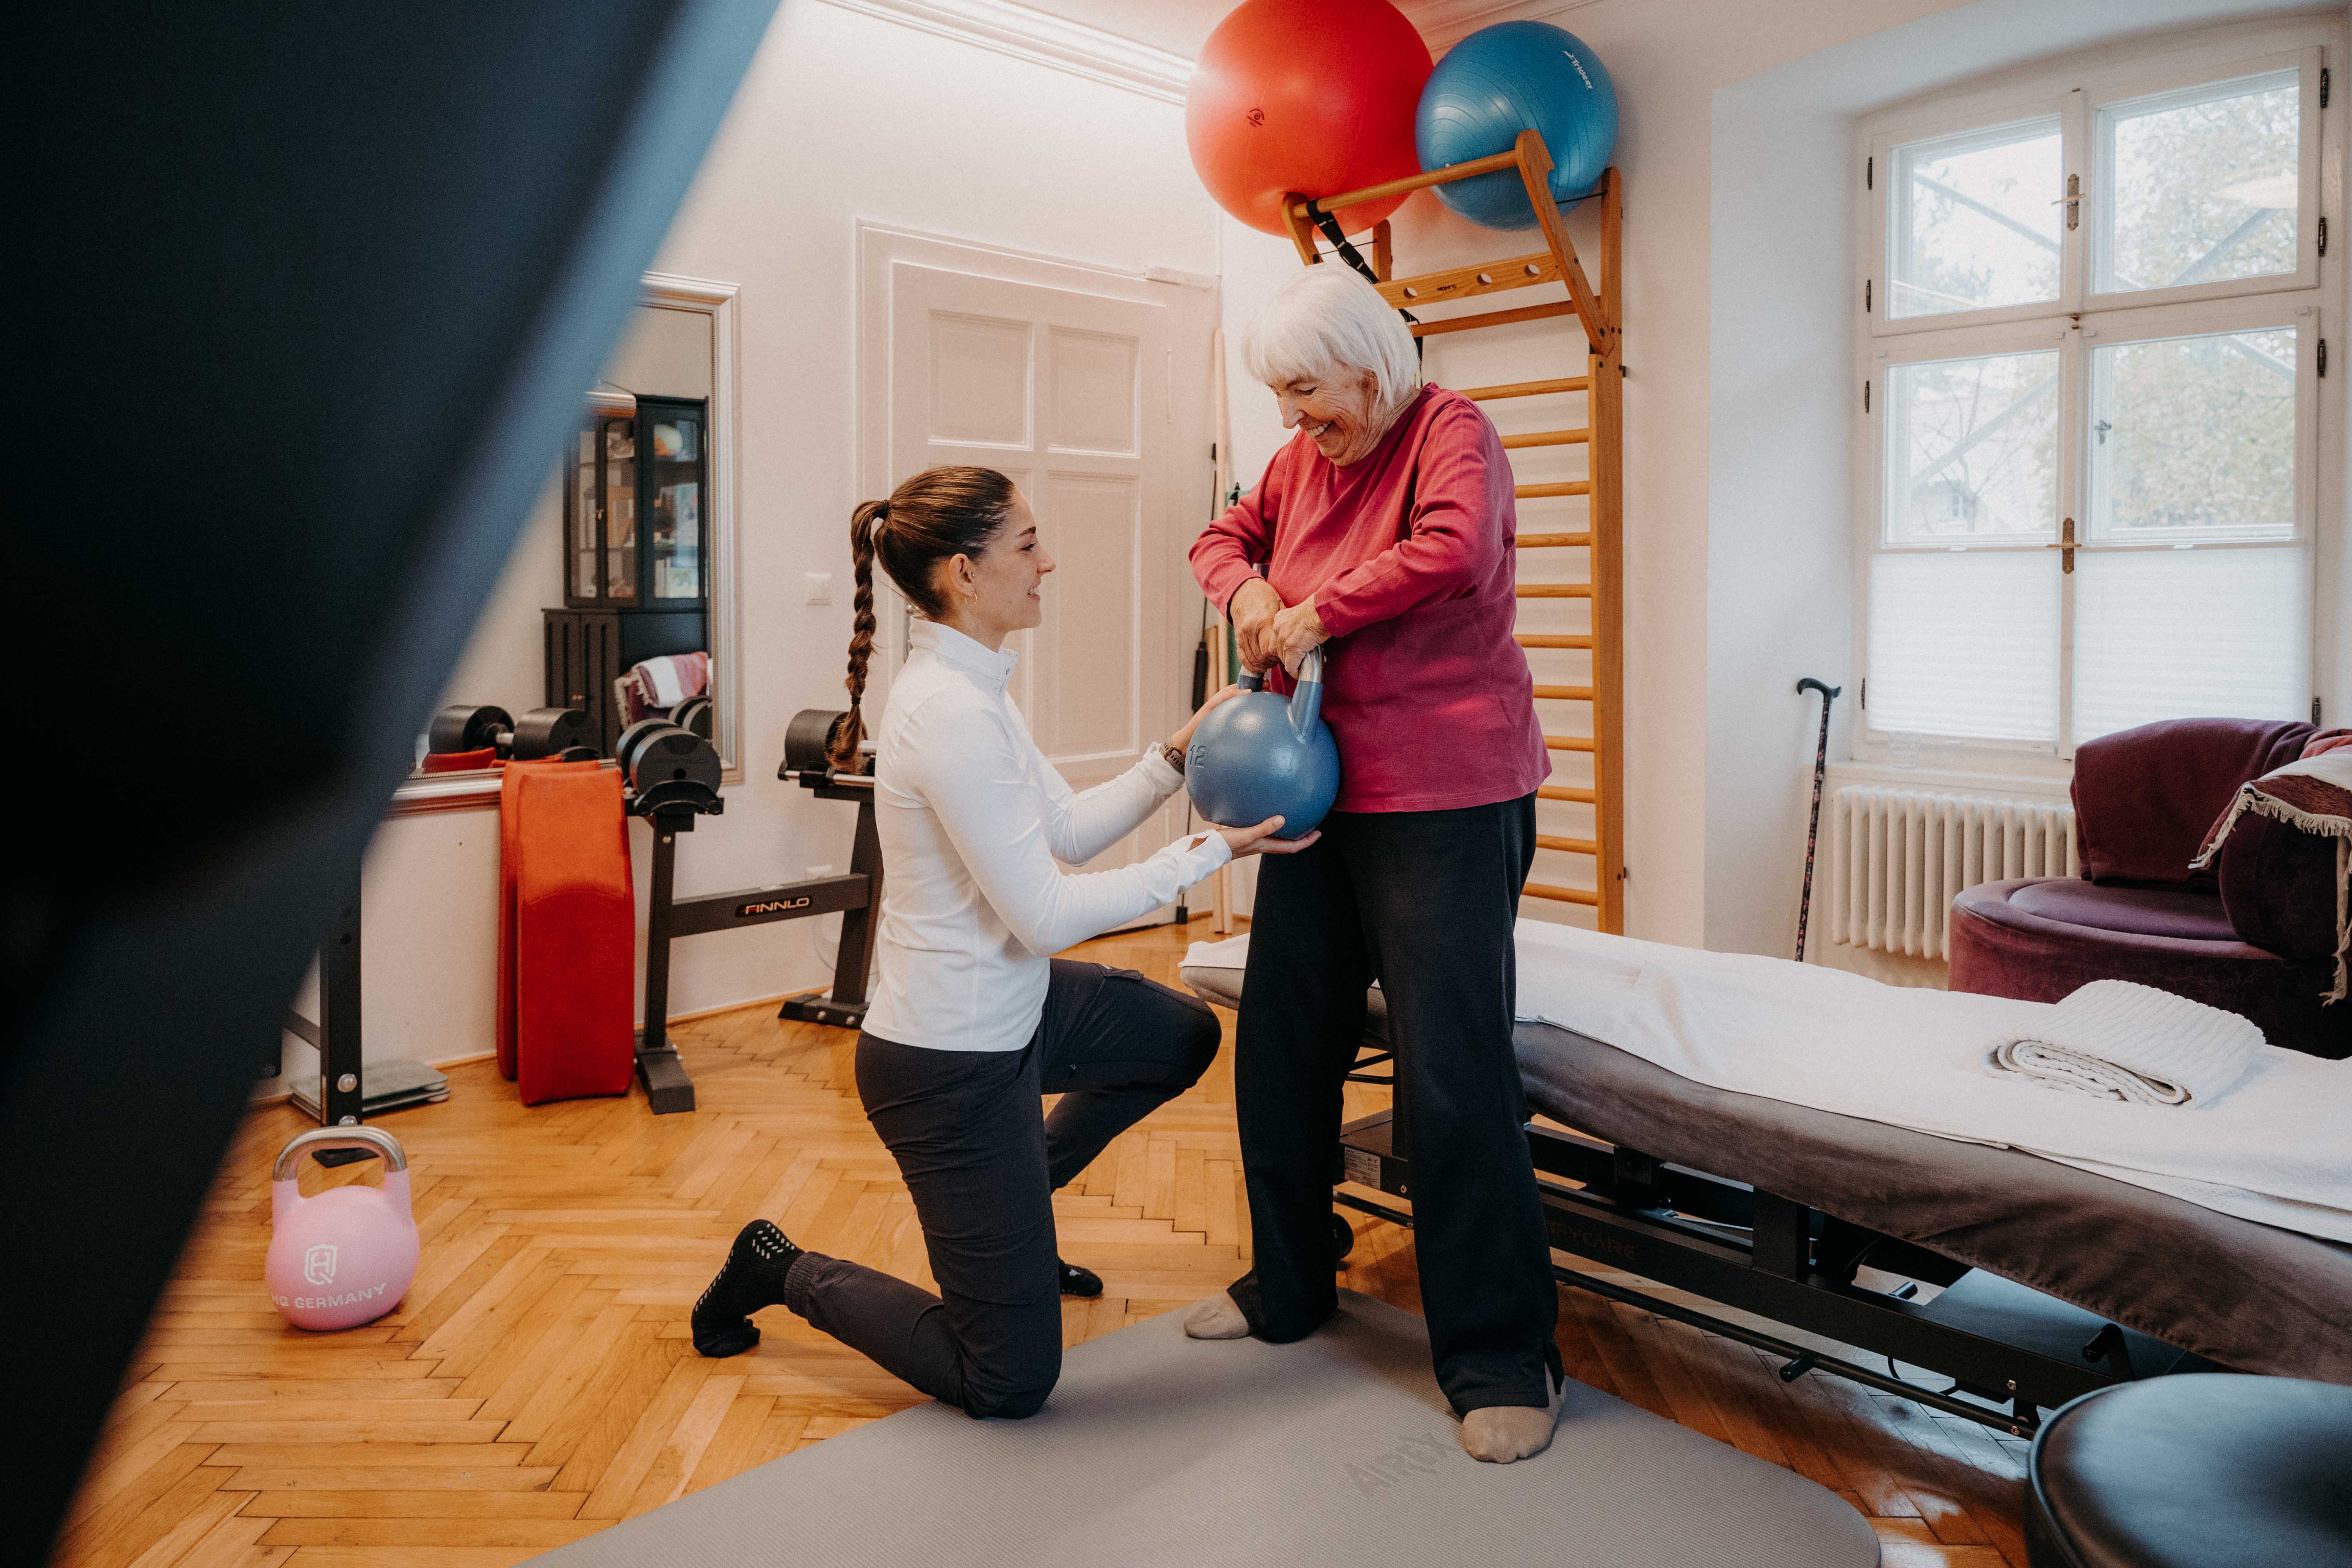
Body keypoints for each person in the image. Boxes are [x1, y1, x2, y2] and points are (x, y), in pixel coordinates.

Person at [690, 465, 1311, 1421]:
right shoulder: (948, 713)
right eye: (1027, 544)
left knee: (1180, 1036)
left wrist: (1177, 752)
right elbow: (1046, 916)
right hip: (946, 1062)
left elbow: (1064, 830)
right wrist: (1209, 852)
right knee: (1010, 1378)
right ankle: (778, 1267)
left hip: (1016, 1008)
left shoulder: (976, 687)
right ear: (963, 573)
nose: (1047, 561)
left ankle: (1016, 1200)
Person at [1180, 265, 1562, 1463]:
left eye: (1306, 390)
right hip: (1318, 790)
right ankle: (1289, 1284)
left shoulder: (1452, 434)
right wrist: (1248, 589)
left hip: (1448, 794)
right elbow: (1218, 538)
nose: (1292, 417)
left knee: (1453, 1073)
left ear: (1368, 363)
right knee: (1284, 1041)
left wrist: (1318, 613)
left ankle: (1502, 1355)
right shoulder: (1302, 459)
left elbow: (1452, 549)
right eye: (1279, 396)